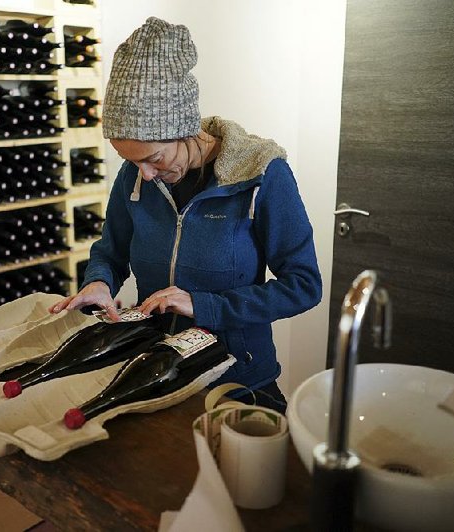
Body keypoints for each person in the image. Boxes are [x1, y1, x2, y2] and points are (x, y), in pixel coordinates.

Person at [50, 17, 321, 413]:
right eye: (130, 160)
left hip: (236, 380)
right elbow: (111, 250)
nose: (143, 173)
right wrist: (99, 282)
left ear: (186, 128)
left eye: (154, 157)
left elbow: (303, 285)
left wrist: (204, 306)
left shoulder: (262, 175)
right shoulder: (136, 174)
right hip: (152, 368)